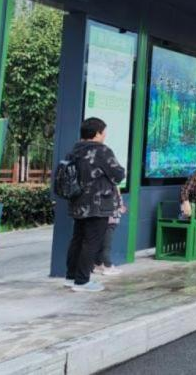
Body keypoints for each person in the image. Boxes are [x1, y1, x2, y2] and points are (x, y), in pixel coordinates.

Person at [64, 117, 126, 292]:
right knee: (92, 242)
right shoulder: (102, 151)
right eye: (104, 132)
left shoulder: (75, 150)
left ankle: (71, 277)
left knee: (77, 239)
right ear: (97, 133)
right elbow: (118, 174)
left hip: (78, 202)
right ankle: (82, 281)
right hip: (98, 204)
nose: (105, 135)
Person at [93, 187, 127, 277]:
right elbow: (117, 203)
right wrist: (120, 208)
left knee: (101, 243)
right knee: (106, 245)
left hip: (100, 219)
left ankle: (97, 264)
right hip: (110, 220)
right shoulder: (112, 186)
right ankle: (108, 266)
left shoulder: (101, 185)